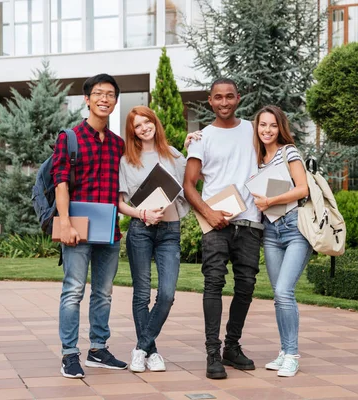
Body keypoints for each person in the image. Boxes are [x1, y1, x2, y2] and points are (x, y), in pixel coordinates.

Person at [183, 78, 263, 380]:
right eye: (218, 97)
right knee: (213, 283)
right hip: (215, 222)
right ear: (210, 101)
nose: (225, 102)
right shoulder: (202, 138)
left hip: (250, 221)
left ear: (238, 98)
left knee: (246, 286)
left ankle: (232, 346)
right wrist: (208, 212)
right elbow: (189, 185)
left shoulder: (254, 131)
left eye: (230, 96)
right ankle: (212, 353)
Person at [51, 73, 127, 379]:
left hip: (109, 230)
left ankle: (98, 349)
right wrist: (65, 224)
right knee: (73, 291)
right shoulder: (69, 138)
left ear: (115, 101)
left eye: (110, 94)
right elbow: (60, 183)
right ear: (87, 99)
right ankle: (70, 354)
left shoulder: (118, 144)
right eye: (98, 93)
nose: (104, 99)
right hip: (77, 229)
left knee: (104, 293)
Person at [118, 106, 190, 373]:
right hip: (140, 230)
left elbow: (192, 182)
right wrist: (142, 213)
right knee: (141, 294)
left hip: (169, 231)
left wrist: (192, 146)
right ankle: (152, 352)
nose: (144, 127)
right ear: (133, 132)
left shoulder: (173, 155)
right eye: (138, 125)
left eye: (147, 122)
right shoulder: (127, 160)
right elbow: (121, 203)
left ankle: (141, 347)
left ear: (154, 123)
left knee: (168, 294)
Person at [250, 105, 312, 377]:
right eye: (263, 125)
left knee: (284, 291)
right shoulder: (257, 159)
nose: (267, 130)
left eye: (272, 125)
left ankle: (293, 355)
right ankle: (285, 351)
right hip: (271, 232)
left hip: (295, 228)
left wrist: (271, 201)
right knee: (279, 296)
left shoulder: (289, 152)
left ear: (280, 128)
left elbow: (302, 189)